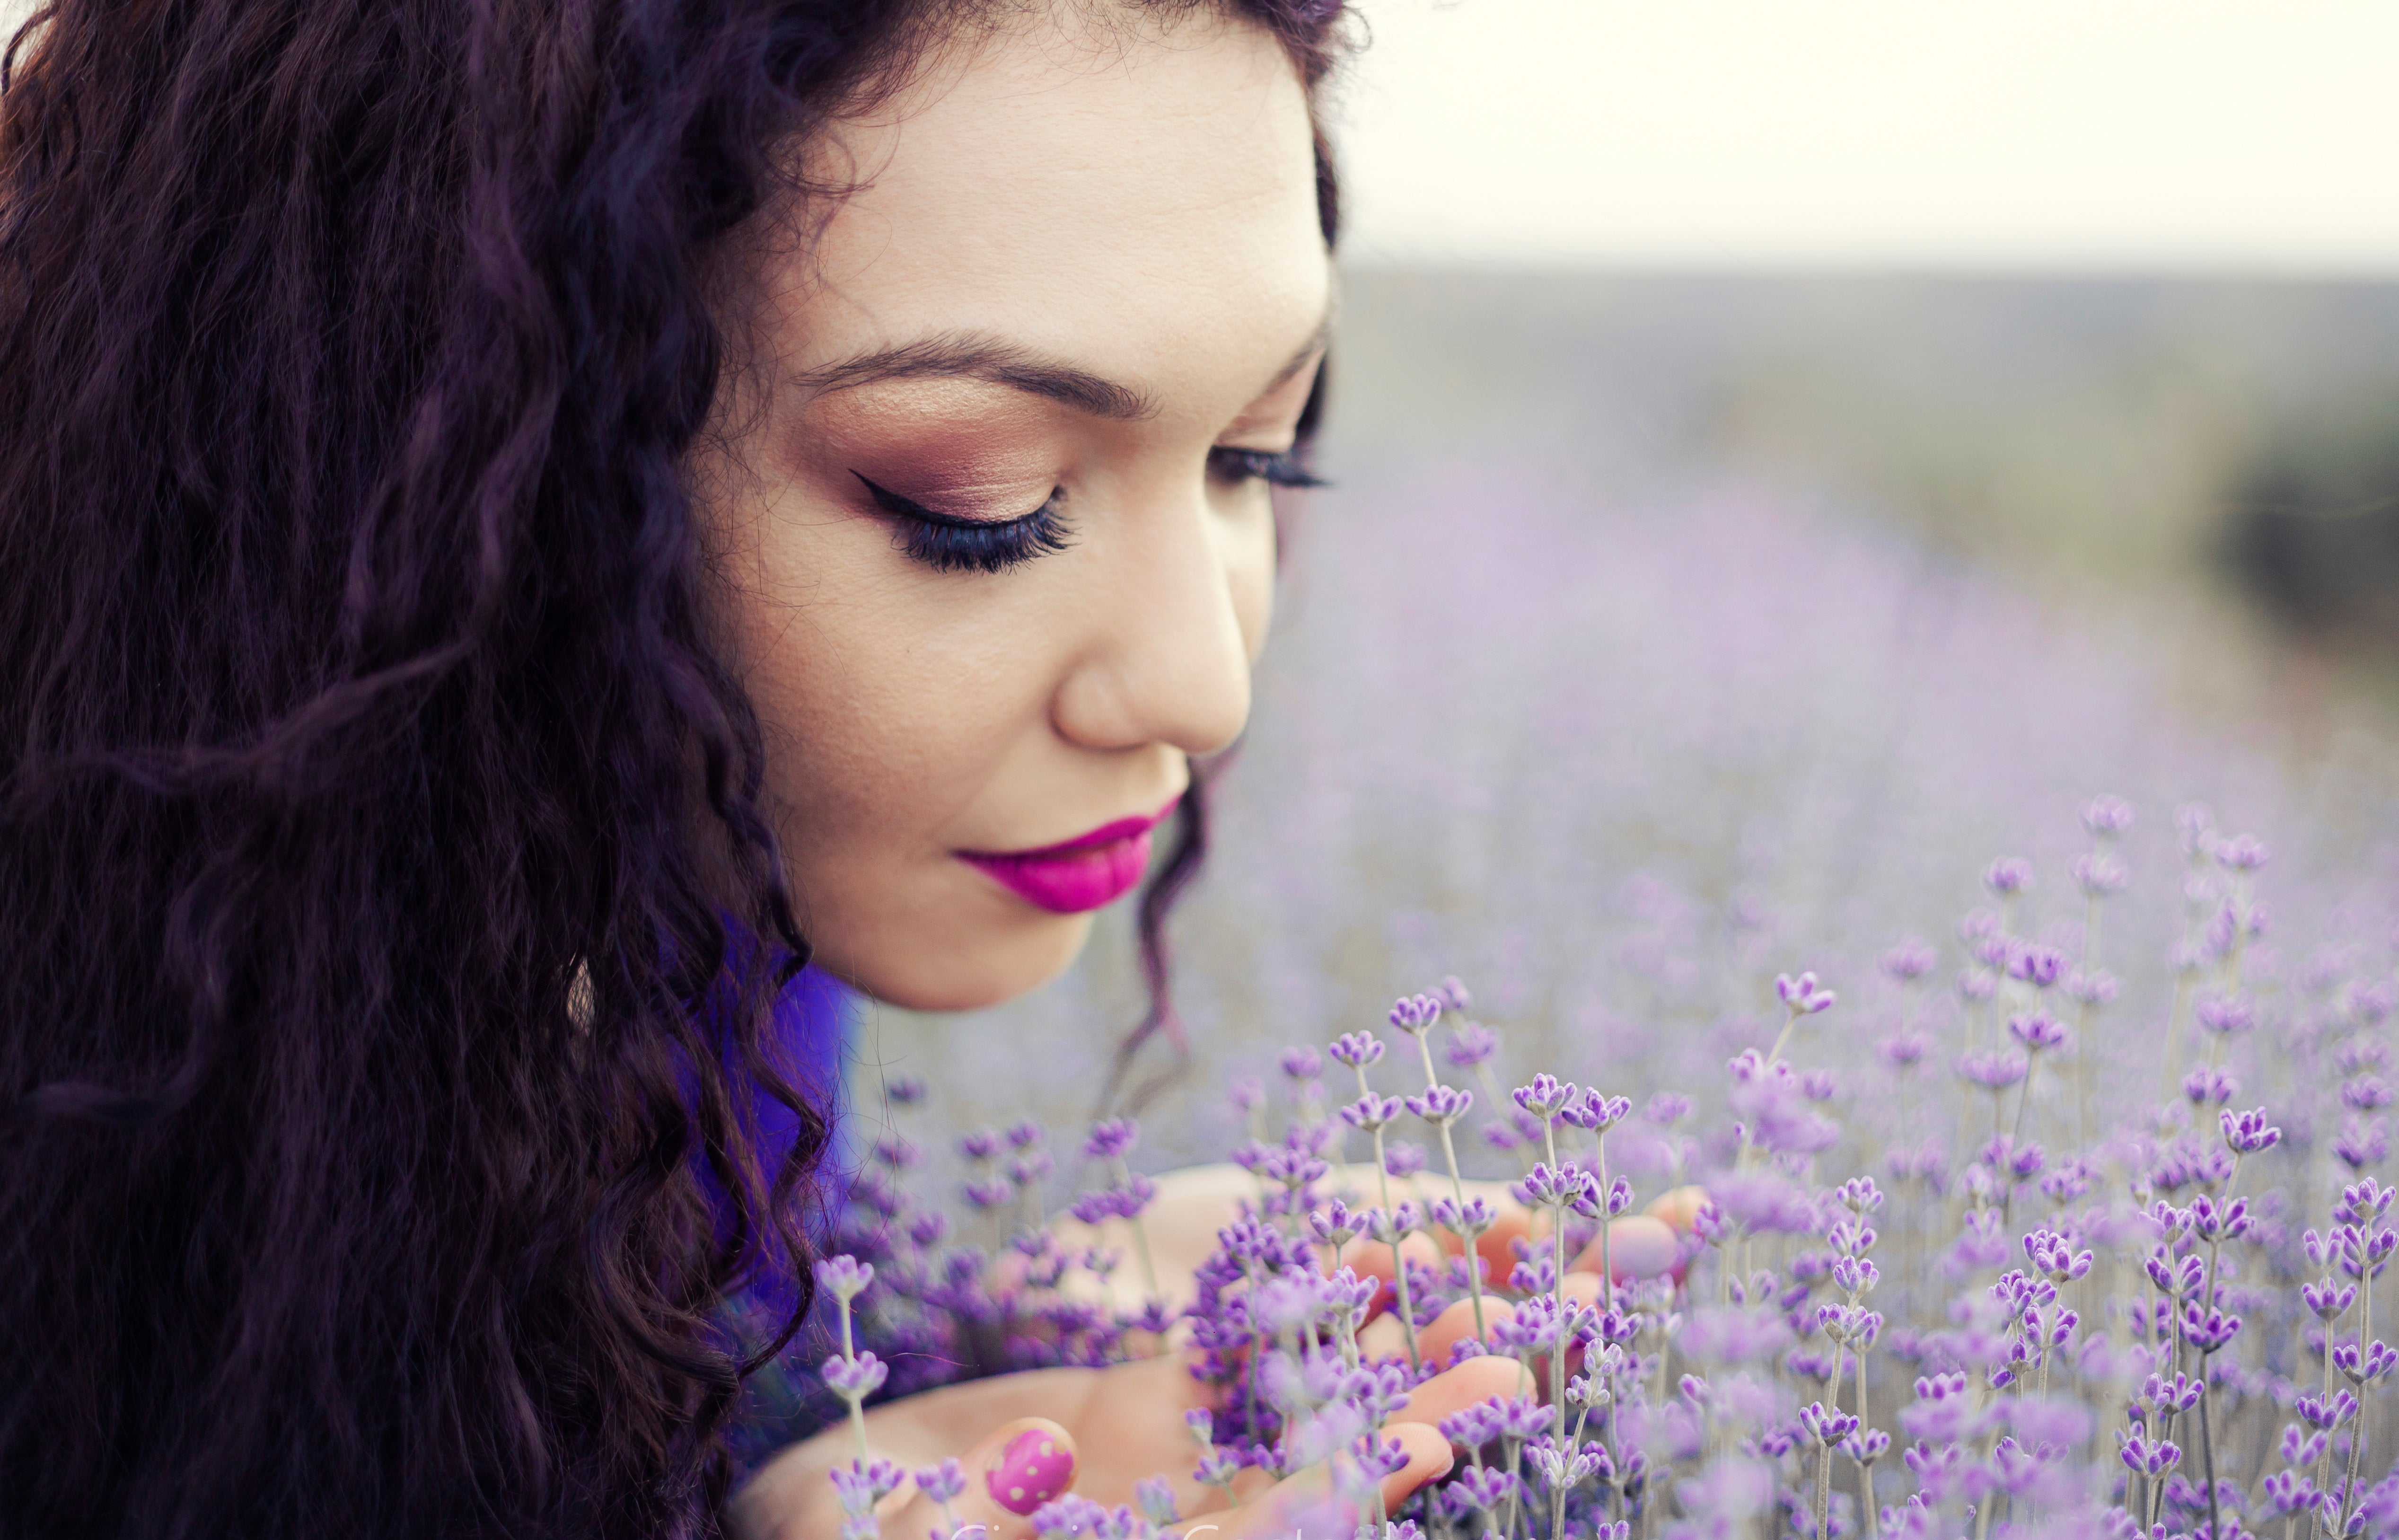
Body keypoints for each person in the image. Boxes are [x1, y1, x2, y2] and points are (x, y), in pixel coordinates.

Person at [0, 0, 1530, 1535]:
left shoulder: (701, 880)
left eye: (1254, 455)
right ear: (441, 452)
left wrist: (916, 1383)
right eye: (981, 504)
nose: (1204, 693)